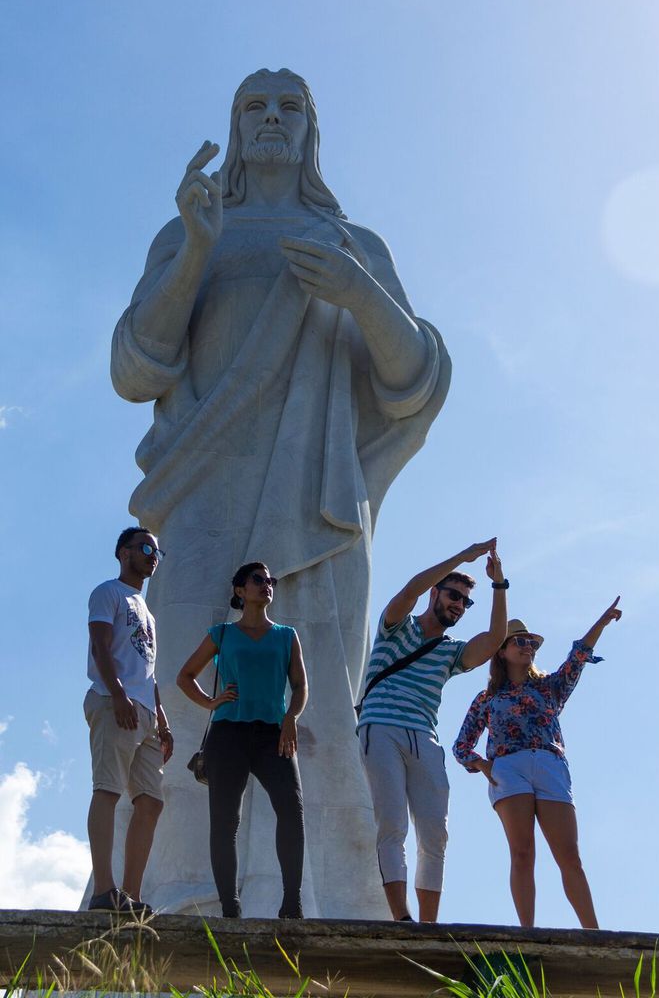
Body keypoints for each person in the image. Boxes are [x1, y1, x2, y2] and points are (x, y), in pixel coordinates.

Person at [110, 67, 451, 916]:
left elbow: (415, 380)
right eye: (254, 106)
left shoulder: (354, 245)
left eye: (288, 106)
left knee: (317, 700)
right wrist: (193, 250)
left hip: (319, 511)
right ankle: (178, 891)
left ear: (310, 130)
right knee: (195, 692)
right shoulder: (195, 228)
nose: (271, 118)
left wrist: (359, 296)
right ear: (233, 126)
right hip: (203, 492)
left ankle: (323, 899)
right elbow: (136, 365)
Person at [357, 538, 509, 922]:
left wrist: (498, 585)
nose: (457, 604)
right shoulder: (395, 628)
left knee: (435, 835)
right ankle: (401, 919)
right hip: (382, 726)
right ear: (436, 593)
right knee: (392, 824)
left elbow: (492, 642)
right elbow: (409, 591)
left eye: (464, 601)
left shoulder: (451, 652)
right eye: (453, 595)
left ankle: (428, 926)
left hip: (424, 736)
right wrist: (461, 557)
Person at [454, 599, 622, 928]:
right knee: (522, 853)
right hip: (509, 768)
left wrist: (600, 623)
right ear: (501, 651)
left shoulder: (549, 687)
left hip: (549, 764)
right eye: (519, 640)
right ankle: (527, 932)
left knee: (570, 856)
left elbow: (577, 659)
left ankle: (594, 933)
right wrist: (481, 765)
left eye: (531, 642)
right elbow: (461, 744)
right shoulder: (488, 698)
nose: (527, 646)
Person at [177, 562, 308, 919]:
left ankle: (292, 903)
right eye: (258, 579)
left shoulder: (286, 635)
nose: (267, 585)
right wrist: (210, 701)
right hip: (228, 734)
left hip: (273, 734)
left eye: (271, 581)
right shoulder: (221, 633)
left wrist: (291, 719)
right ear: (240, 590)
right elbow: (185, 676)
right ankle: (230, 907)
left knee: (292, 811)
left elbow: (299, 685)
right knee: (225, 820)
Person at [84, 526, 173, 913]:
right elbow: (101, 646)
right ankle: (104, 891)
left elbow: (147, 670)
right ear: (124, 553)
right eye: (146, 547)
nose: (153, 555)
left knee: (151, 802)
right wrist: (118, 694)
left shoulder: (146, 609)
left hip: (146, 712)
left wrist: (163, 720)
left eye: (157, 551)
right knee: (107, 789)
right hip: (113, 702)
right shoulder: (109, 592)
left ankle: (130, 897)